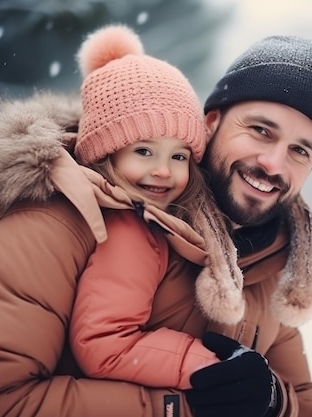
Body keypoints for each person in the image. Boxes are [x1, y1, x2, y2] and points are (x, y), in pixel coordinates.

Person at [0, 25, 312, 417]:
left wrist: (270, 400)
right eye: (262, 131)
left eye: (300, 151)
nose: (273, 163)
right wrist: (178, 408)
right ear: (210, 123)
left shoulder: (268, 264)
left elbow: (306, 406)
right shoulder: (60, 218)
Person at [66, 24, 246, 390]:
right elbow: (104, 346)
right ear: (104, 153)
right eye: (144, 151)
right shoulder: (126, 230)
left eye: (178, 155)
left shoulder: (150, 220)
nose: (163, 171)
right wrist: (203, 364)